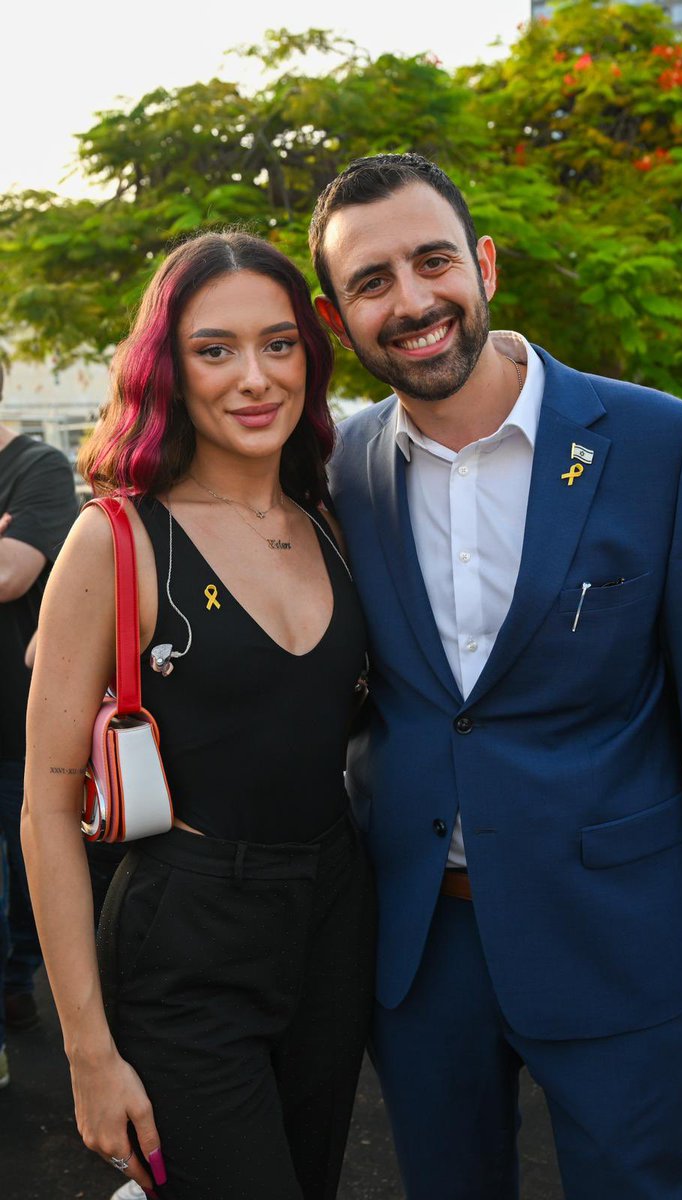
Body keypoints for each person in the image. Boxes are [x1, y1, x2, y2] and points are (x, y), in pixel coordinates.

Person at [307, 153, 682, 1200]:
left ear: (482, 264)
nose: (412, 300)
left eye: (432, 261)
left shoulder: (660, 442)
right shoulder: (334, 470)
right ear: (336, 319)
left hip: (621, 937)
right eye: (371, 282)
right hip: (419, 952)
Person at [21, 231, 375, 1200]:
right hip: (189, 937)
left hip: (335, 919)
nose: (253, 378)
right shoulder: (117, 539)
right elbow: (46, 810)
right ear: (167, 370)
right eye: (214, 350)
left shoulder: (331, 518)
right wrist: (88, 1054)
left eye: (279, 344)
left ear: (310, 353)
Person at [0, 371, 78, 1086]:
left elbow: (11, 573)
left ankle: (18, 983)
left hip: (18, 723)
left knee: (28, 875)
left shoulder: (38, 466)